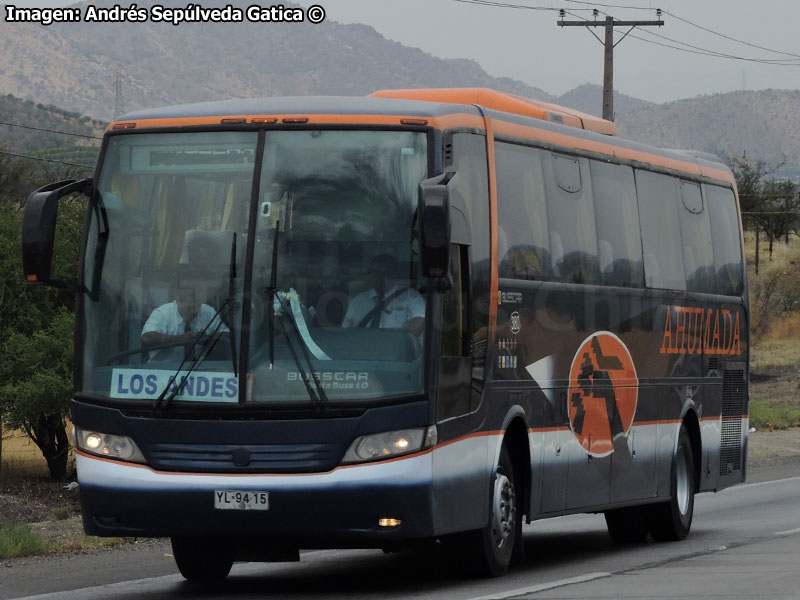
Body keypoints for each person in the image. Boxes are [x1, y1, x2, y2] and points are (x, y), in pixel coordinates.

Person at [342, 254, 425, 336]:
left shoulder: (412, 298)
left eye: (382, 272)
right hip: (361, 348)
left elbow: (415, 330)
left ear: (394, 274)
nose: (374, 276)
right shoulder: (359, 300)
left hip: (395, 348)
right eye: (371, 272)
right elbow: (345, 332)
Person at [141, 286, 229, 360]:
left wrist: (207, 338)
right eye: (192, 303)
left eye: (199, 302)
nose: (197, 307)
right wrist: (181, 339)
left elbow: (227, 335)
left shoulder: (207, 311)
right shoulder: (163, 313)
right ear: (179, 301)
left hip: (197, 370)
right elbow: (147, 338)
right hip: (161, 370)